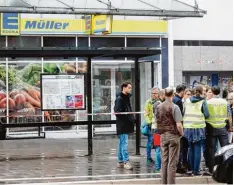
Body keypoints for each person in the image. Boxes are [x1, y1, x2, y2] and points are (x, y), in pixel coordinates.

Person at [156, 87, 184, 184]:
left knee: (164, 161)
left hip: (163, 135)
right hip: (173, 135)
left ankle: (163, 183)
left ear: (164, 95)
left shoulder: (158, 107)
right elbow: (179, 124)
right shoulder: (175, 107)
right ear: (173, 94)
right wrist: (181, 133)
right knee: (172, 163)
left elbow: (157, 121)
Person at [183, 85, 209, 176]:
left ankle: (190, 169)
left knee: (191, 148)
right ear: (202, 92)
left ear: (193, 92)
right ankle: (196, 170)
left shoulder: (186, 101)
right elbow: (206, 114)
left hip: (188, 127)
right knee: (198, 148)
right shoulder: (203, 101)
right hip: (199, 127)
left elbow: (184, 113)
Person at [206, 86, 230, 174]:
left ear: (212, 92)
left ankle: (212, 169)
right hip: (222, 127)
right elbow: (229, 115)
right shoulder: (225, 102)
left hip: (211, 127)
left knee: (211, 149)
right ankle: (227, 168)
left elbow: (205, 114)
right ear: (219, 92)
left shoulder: (207, 102)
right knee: (225, 148)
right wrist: (230, 126)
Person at [114, 82, 135, 170]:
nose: (130, 89)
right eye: (129, 88)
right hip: (123, 124)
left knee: (122, 142)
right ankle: (126, 161)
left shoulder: (126, 98)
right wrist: (128, 118)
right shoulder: (120, 99)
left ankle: (120, 161)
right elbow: (117, 112)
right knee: (124, 143)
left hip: (125, 124)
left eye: (131, 88)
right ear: (124, 88)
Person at [173, 84, 187, 173]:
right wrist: (181, 130)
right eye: (184, 92)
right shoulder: (178, 101)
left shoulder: (174, 99)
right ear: (182, 91)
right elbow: (180, 116)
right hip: (178, 127)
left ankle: (177, 165)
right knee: (180, 148)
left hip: (173, 127)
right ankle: (178, 166)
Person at [144, 86, 160, 165]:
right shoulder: (148, 102)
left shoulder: (161, 101)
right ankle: (148, 158)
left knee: (157, 144)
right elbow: (146, 114)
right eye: (152, 93)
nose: (153, 95)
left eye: (155, 93)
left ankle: (158, 162)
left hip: (159, 126)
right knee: (150, 142)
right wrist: (149, 122)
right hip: (151, 125)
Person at [152, 89, 166, 172]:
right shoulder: (159, 104)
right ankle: (159, 167)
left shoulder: (156, 104)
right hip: (159, 129)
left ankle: (158, 167)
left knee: (158, 148)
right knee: (159, 148)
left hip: (155, 129)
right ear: (162, 95)